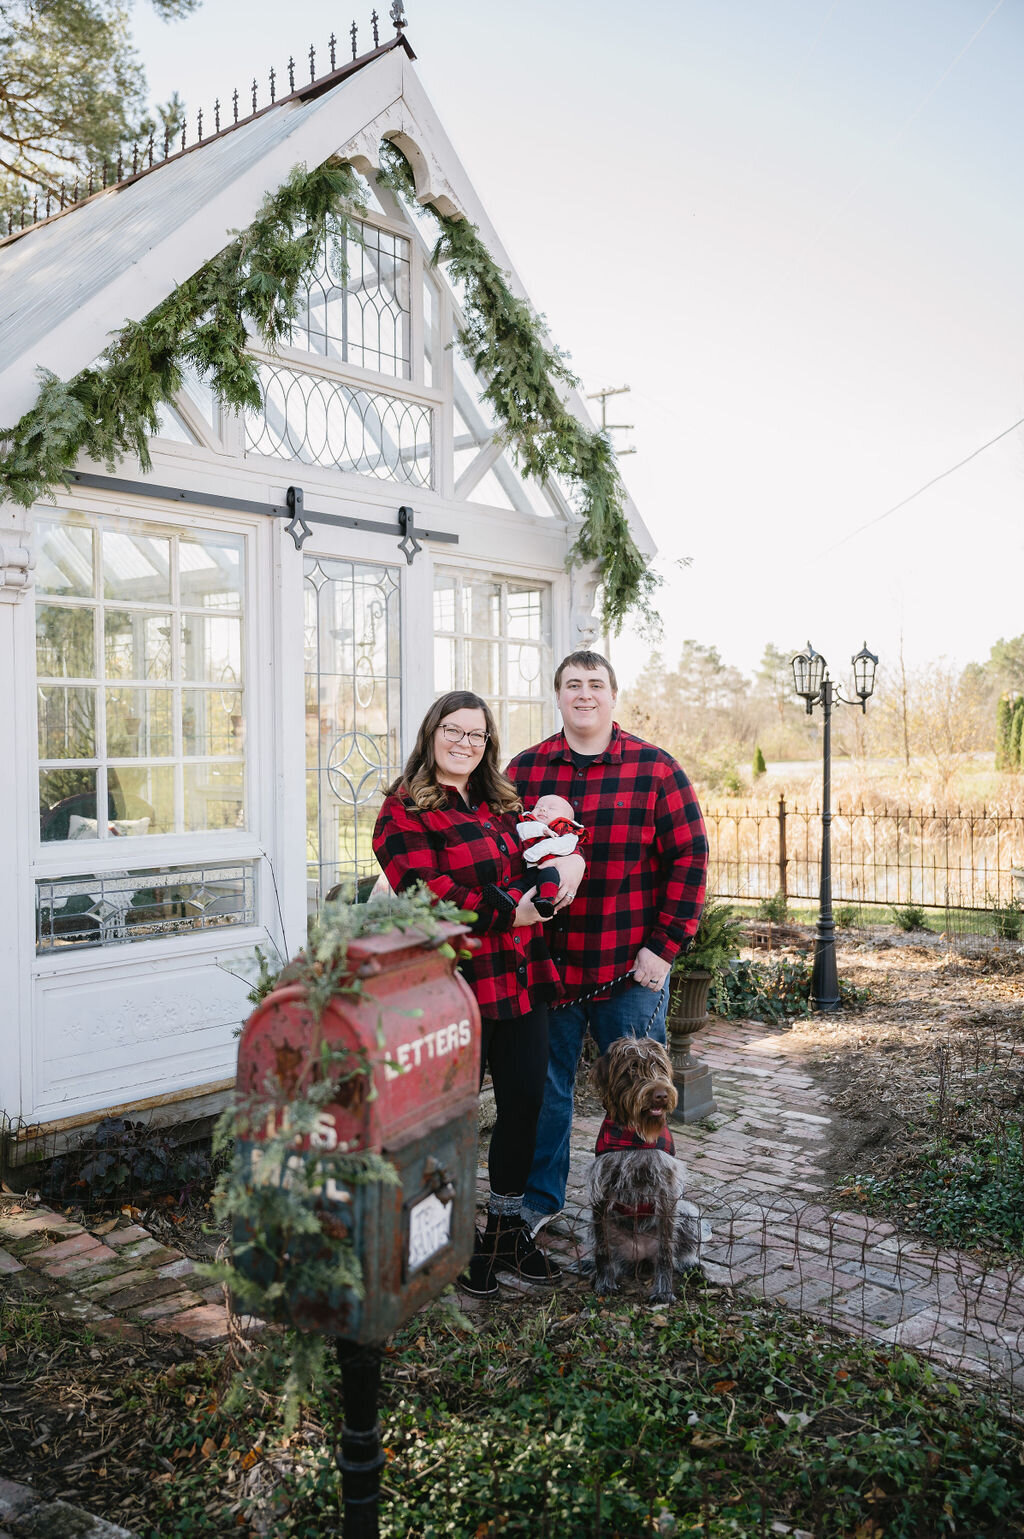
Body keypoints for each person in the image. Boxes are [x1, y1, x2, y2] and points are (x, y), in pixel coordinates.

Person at [506, 649, 709, 1233]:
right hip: (550, 971)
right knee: (547, 1094)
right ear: (559, 695)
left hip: (630, 971)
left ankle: (642, 1210)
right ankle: (540, 1205)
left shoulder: (655, 769)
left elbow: (690, 861)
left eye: (596, 684)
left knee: (639, 1097)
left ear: (614, 695)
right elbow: (502, 855)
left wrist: (665, 947)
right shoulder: (524, 772)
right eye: (573, 685)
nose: (584, 694)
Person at [372, 690, 565, 1296]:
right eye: (453, 731)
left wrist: (551, 881)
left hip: (519, 981)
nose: (464, 743)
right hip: (452, 987)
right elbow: (428, 894)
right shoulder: (403, 810)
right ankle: (442, 1244)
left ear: (488, 745)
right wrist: (512, 911)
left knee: (525, 1107)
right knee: (448, 1121)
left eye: (477, 735)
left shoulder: (499, 802)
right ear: (432, 734)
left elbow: (533, 861)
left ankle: (505, 1232)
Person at [515, 794, 588, 917]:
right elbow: (520, 830)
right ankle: (510, 897)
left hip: (549, 865)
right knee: (521, 883)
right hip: (526, 868)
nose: (543, 809)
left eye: (552, 809)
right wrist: (541, 830)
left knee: (549, 876)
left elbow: (566, 845)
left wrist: (538, 851)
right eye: (539, 806)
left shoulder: (566, 829)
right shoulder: (528, 822)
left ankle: (546, 900)